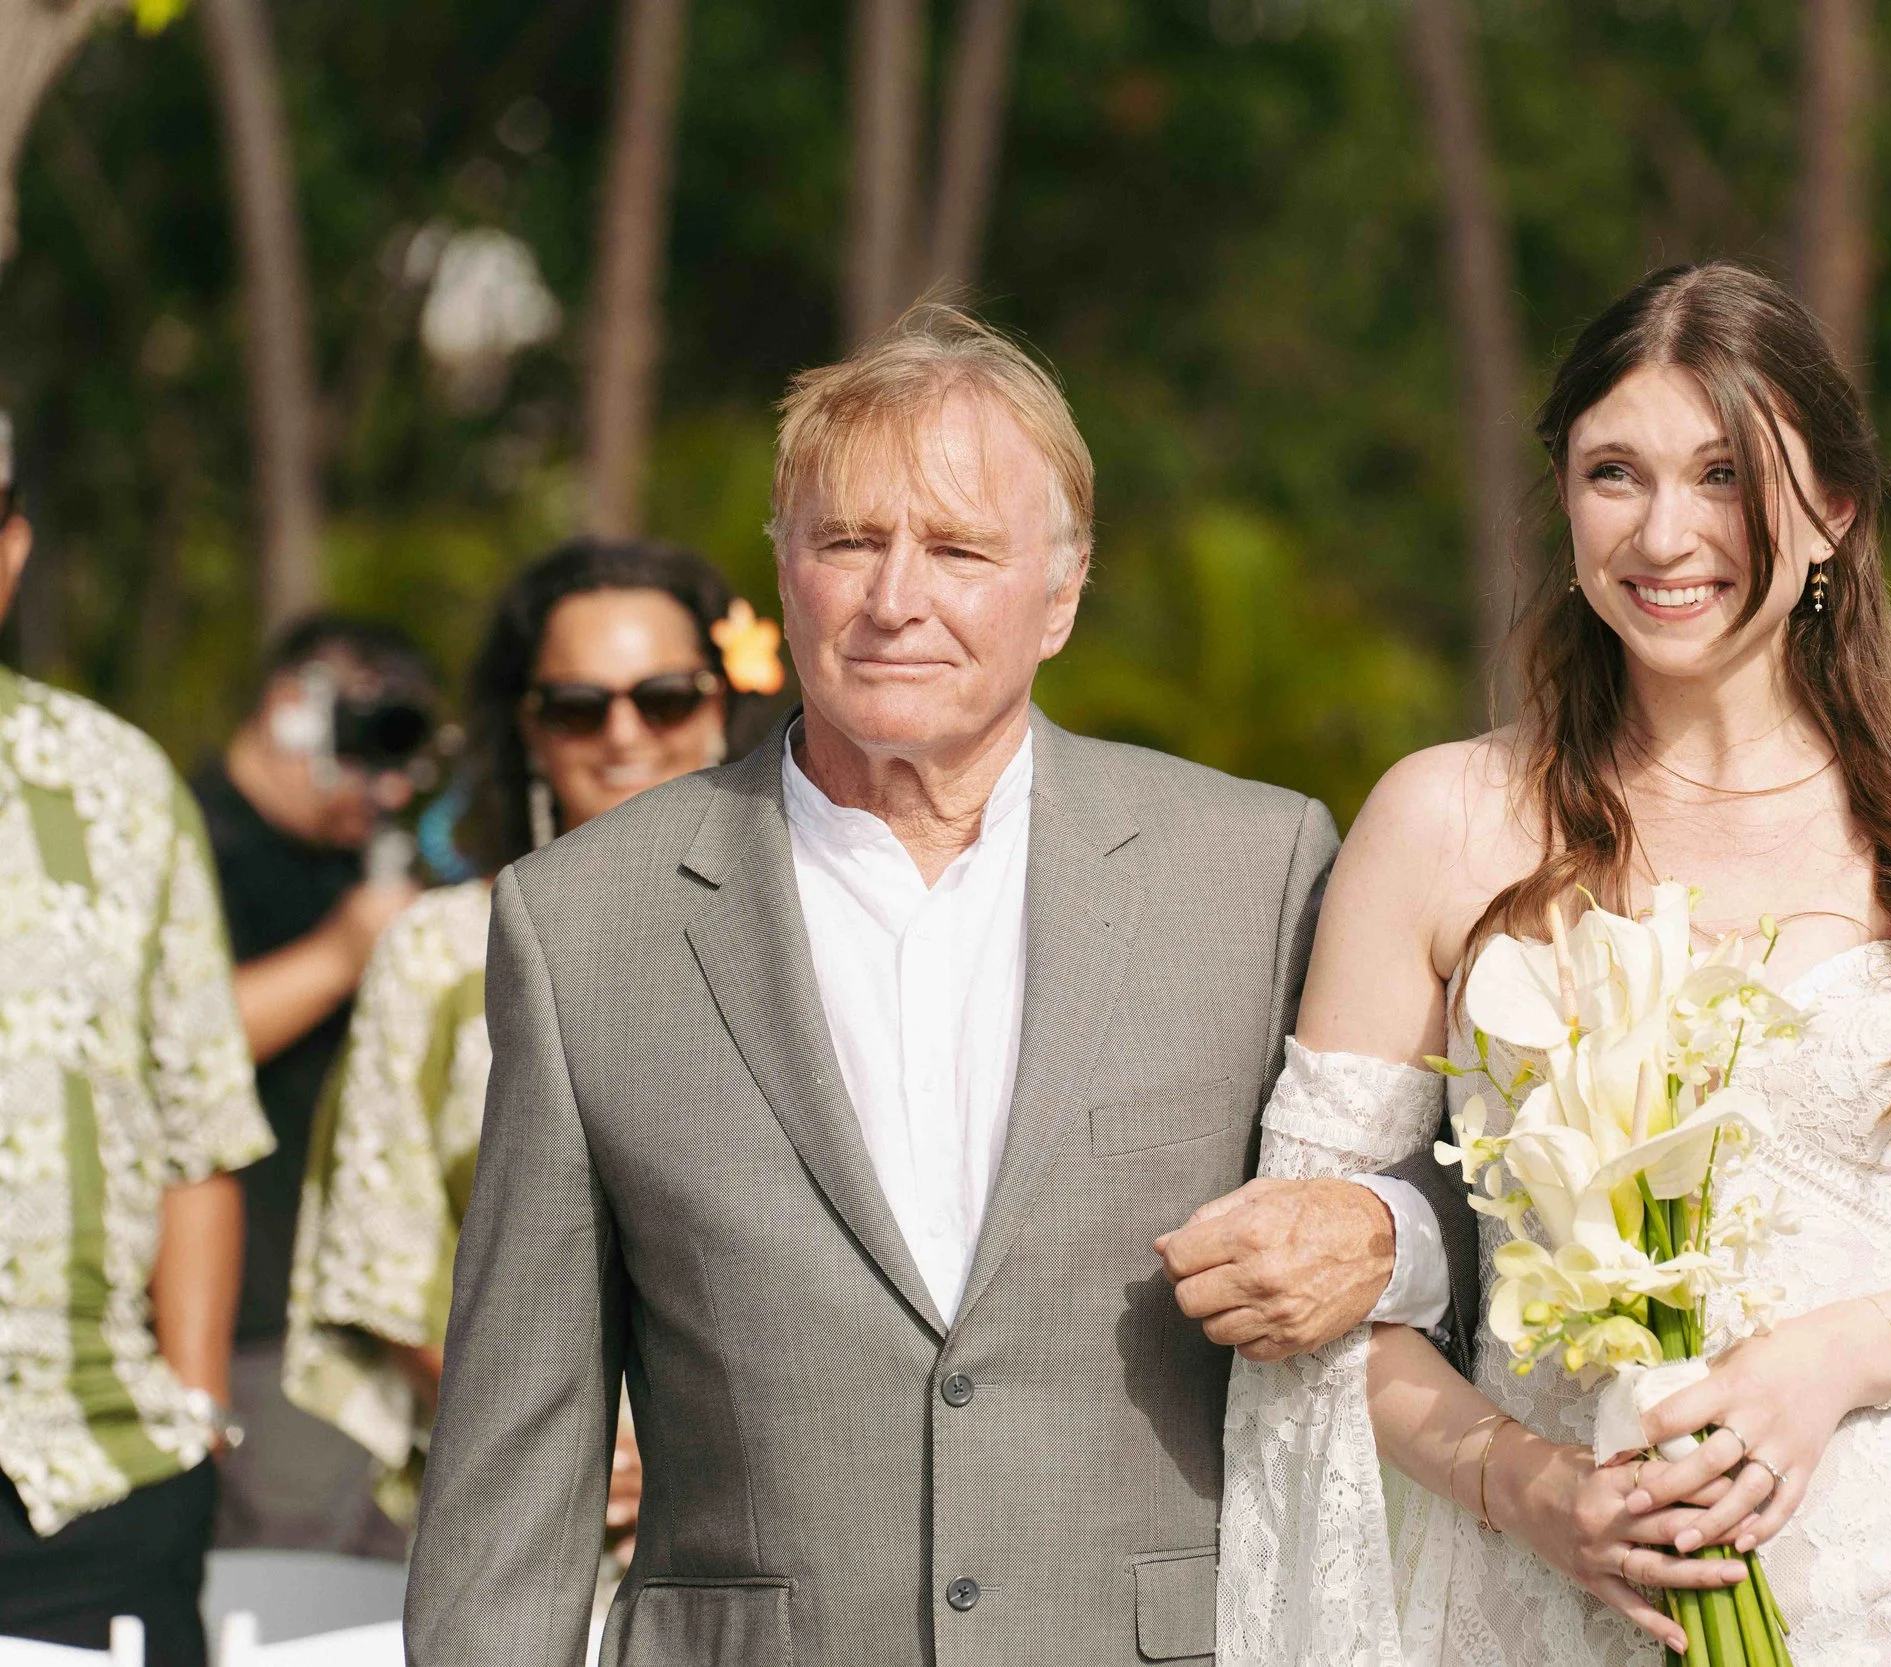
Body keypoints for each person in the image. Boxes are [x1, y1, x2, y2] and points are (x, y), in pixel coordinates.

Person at [402, 304, 1470, 1665]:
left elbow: (1484, 1206)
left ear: (1063, 592)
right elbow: (517, 1449)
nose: (895, 597)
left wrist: (1380, 1234)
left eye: (959, 547)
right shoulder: (581, 921)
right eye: (850, 540)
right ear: (784, 572)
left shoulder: (1256, 868)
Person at [1219, 263, 1891, 1667]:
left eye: (1724, 473)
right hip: (1546, 1601)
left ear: (1835, 511)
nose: (1666, 530)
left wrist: (1835, 1359)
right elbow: (1315, 1294)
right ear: (1563, 498)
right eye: (1614, 471)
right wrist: (1530, 1483)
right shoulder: (1440, 821)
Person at [285, 537, 769, 1542]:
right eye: (579, 705)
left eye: (665, 695)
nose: (624, 732)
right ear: (531, 729)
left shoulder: (825, 928)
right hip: (538, 1520)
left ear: (720, 702)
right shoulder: (442, 952)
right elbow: (384, 1251)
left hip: (798, 1516)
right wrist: (563, 1444)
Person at [0, 413, 274, 1666]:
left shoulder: (114, 782)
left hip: (100, 1485)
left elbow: (196, 1133)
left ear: (10, 552)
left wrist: (199, 1404)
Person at [194, 614, 441, 1554]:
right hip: (259, 1331)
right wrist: (340, 956)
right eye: (372, 744)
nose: (393, 784)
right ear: (295, 710)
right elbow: (158, 1049)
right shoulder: (191, 839)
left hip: (382, 1331)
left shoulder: (363, 864)